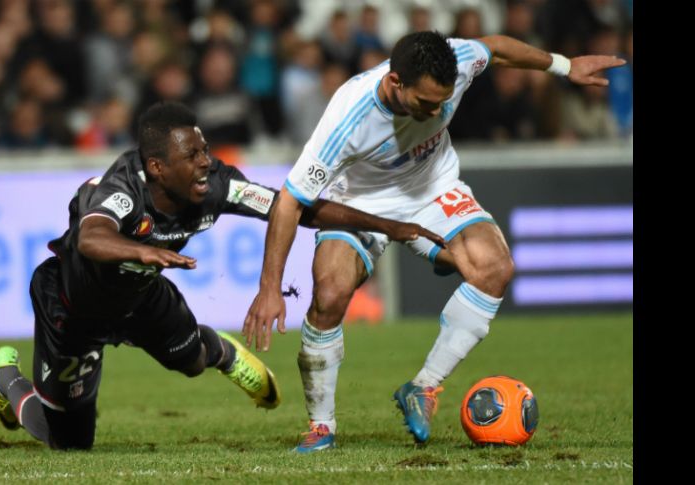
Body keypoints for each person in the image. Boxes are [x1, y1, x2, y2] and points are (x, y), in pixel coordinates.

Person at [243, 31, 625, 452]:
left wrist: (564, 65)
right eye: (425, 103)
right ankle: (321, 426)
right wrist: (269, 288)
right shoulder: (347, 118)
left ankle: (423, 387)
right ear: (395, 83)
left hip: (432, 189)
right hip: (360, 200)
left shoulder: (457, 61)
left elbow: (495, 47)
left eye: (443, 102)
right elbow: (288, 201)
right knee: (330, 293)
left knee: (495, 268)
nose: (436, 111)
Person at [0, 101, 444, 450]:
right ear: (157, 168)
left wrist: (384, 224)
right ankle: (8, 381)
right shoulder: (121, 191)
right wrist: (143, 251)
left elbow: (292, 208)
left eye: (205, 148)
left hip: (141, 297)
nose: (206, 161)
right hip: (72, 307)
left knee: (190, 363)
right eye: (193, 154)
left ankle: (224, 353)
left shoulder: (215, 185)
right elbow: (91, 239)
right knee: (70, 443)